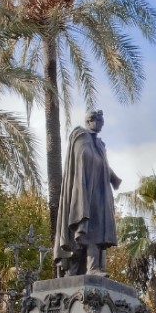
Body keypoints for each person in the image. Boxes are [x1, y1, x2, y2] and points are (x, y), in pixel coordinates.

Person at [54, 109, 121, 276]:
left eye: (102, 123)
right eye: (99, 122)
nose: (101, 126)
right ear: (90, 121)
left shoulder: (99, 144)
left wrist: (113, 178)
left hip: (98, 193)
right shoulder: (80, 137)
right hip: (82, 193)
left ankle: (92, 268)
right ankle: (83, 271)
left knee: (97, 230)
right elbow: (82, 160)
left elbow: (101, 163)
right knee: (84, 230)